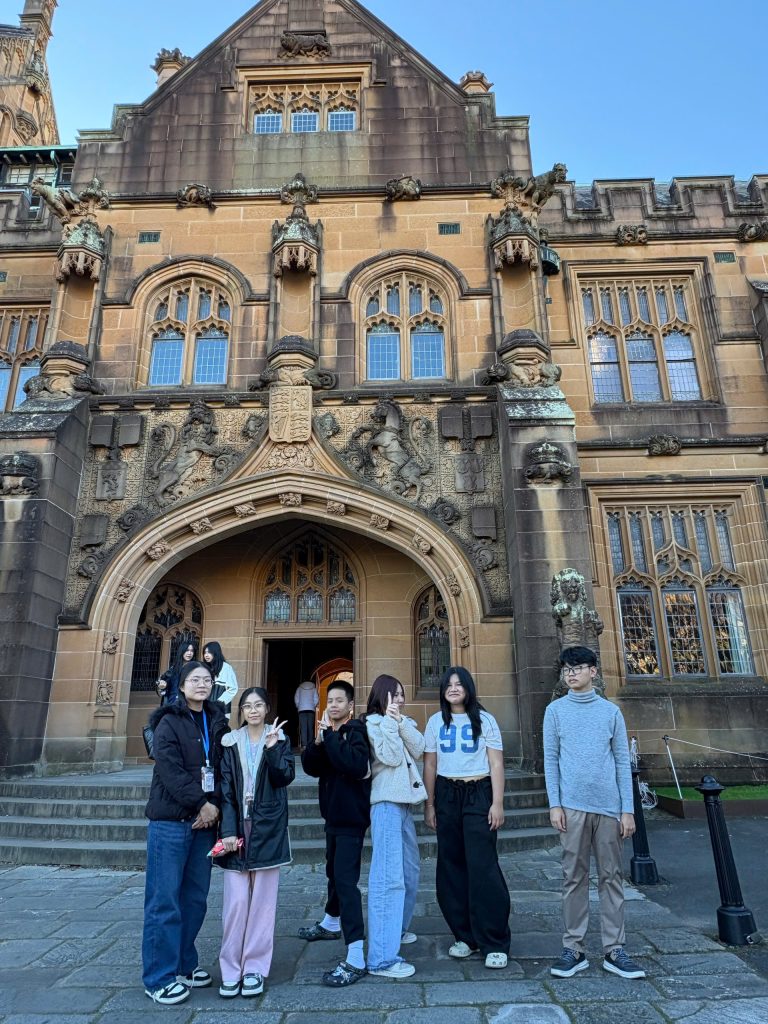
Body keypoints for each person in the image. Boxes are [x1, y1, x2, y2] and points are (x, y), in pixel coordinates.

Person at [544, 645, 645, 980]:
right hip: (571, 807)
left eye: (577, 667)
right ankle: (573, 948)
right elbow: (551, 760)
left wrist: (627, 810)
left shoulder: (610, 712)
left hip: (608, 808)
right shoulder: (555, 711)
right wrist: (555, 804)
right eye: (566, 669)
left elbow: (621, 762)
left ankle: (615, 949)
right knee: (573, 877)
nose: (571, 673)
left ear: (593, 672)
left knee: (611, 877)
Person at [142, 660, 228, 1005]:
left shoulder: (217, 721)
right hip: (171, 821)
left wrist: (214, 805)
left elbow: (224, 768)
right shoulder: (167, 722)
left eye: (207, 679)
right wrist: (201, 803)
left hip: (204, 824)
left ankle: (183, 964)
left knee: (194, 899)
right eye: (195, 679)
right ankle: (158, 977)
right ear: (180, 685)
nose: (201, 684)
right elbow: (169, 770)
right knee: (164, 901)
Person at [423, 666, 511, 970]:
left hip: (478, 792)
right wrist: (430, 804)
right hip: (447, 794)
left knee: (482, 866)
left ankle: (494, 941)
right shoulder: (435, 722)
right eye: (448, 684)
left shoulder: (485, 720)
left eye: (459, 684)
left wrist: (497, 803)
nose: (453, 688)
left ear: (468, 688)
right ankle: (465, 936)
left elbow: (496, 764)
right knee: (451, 866)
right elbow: (430, 765)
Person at [215, 687, 294, 998]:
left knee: (263, 904)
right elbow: (225, 790)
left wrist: (273, 749)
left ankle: (255, 969)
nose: (253, 710)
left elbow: (284, 777)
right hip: (236, 828)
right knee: (235, 904)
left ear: (267, 708)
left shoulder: (279, 740)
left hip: (268, 827)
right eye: (247, 706)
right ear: (241, 711)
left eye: (259, 705)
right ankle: (230, 969)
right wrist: (227, 830)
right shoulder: (230, 743)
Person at [299, 679, 372, 987]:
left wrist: (329, 738)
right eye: (330, 700)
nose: (333, 705)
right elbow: (310, 767)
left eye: (339, 700)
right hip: (332, 816)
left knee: (346, 881)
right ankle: (331, 921)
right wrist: (317, 743)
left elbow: (353, 764)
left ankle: (356, 955)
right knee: (333, 872)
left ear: (350, 706)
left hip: (351, 818)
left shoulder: (355, 732)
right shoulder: (328, 734)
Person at [363, 674, 425, 979]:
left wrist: (399, 722)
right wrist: (389, 722)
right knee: (388, 877)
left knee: (410, 871)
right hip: (385, 803)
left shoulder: (401, 721)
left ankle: (395, 929)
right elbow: (388, 756)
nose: (400, 699)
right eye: (394, 694)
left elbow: (420, 747)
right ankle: (382, 959)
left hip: (403, 805)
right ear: (382, 696)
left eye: (402, 694)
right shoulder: (373, 724)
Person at [202, 641, 239, 719]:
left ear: (216, 653)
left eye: (209, 652)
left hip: (222, 709)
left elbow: (233, 688)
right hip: (205, 708)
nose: (206, 655)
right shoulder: (203, 668)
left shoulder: (226, 668)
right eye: (205, 653)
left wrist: (218, 703)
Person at [156, 638, 198, 705]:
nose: (189, 653)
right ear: (182, 651)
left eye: (192, 651)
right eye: (187, 650)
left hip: (190, 704)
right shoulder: (173, 669)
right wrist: (162, 685)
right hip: (173, 703)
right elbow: (163, 686)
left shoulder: (196, 668)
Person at [294, 679, 319, 749]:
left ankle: (304, 745)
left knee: (303, 727)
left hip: (302, 710)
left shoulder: (299, 688)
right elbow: (316, 699)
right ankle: (310, 744)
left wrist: (298, 706)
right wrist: (313, 705)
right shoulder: (313, 688)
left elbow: (296, 698)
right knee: (310, 727)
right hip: (311, 710)